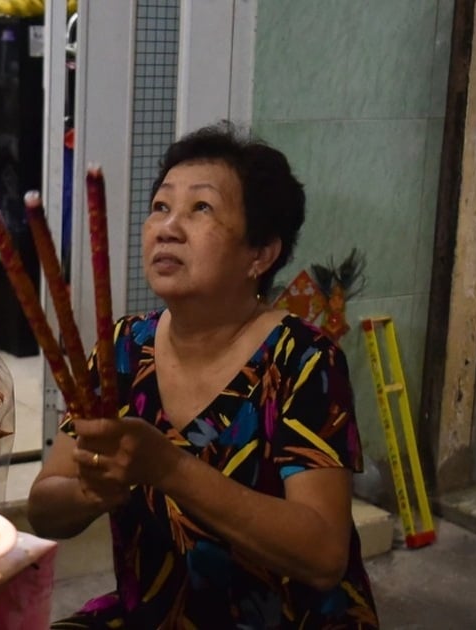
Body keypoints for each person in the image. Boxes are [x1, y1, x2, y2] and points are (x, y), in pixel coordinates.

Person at [30, 123, 379, 628]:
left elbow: (324, 554)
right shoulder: (124, 348)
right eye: (161, 207)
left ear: (259, 255)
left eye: (202, 209)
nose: (168, 227)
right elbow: (43, 508)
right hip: (155, 614)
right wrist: (90, 492)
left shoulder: (302, 359)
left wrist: (167, 468)